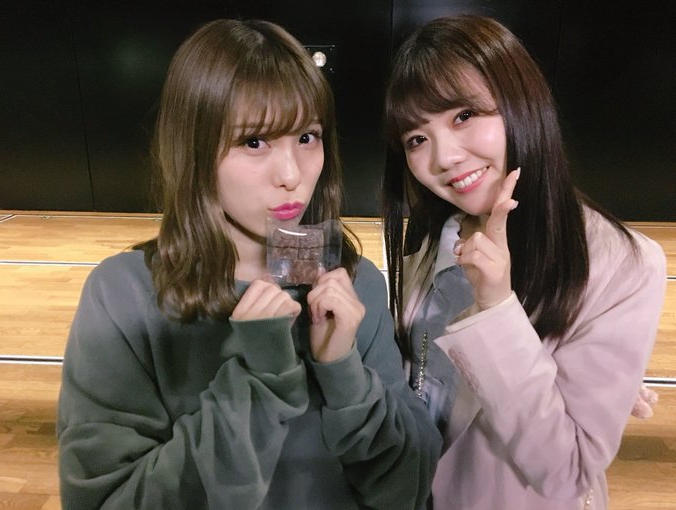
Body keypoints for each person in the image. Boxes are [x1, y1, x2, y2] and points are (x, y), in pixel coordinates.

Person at [57, 18, 441, 509]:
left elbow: (406, 487)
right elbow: (106, 500)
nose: (291, 175)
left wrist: (344, 371)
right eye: (254, 142)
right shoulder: (124, 296)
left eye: (307, 137)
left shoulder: (353, 282)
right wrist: (257, 380)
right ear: (194, 149)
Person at [381, 14, 666, 510]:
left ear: (521, 102)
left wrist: (496, 309)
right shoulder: (432, 232)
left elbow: (566, 472)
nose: (444, 157)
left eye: (464, 115)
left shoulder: (623, 264)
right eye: (416, 139)